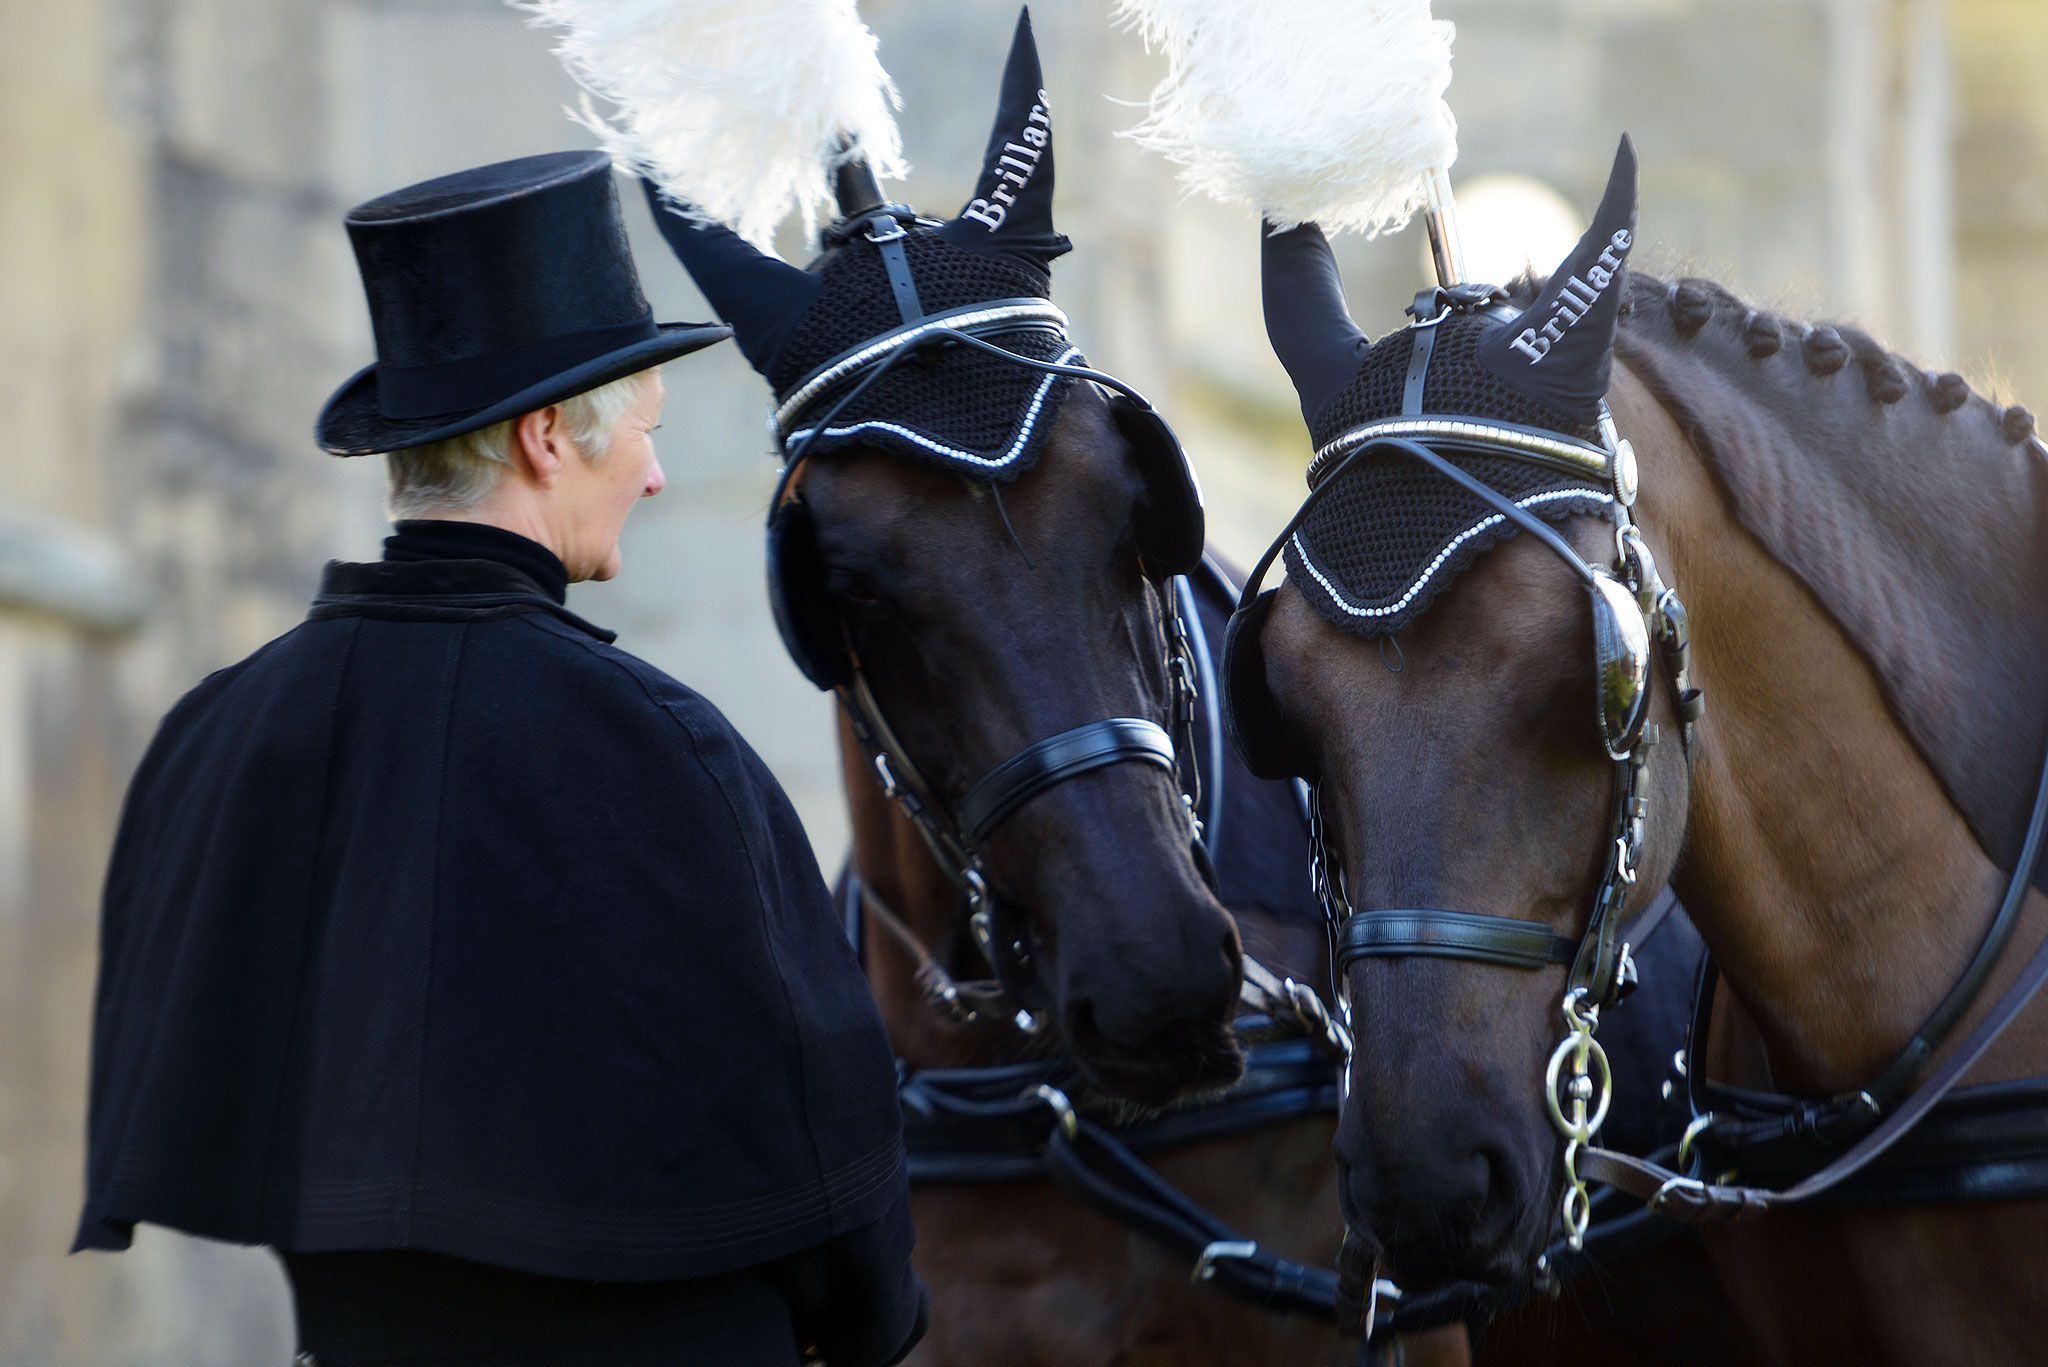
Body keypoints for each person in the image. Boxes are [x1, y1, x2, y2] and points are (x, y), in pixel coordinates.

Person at [73, 150, 928, 1367]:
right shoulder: (664, 747)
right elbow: (825, 1140)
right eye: (642, 431)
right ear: (543, 438)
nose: (655, 470)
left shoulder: (219, 733)